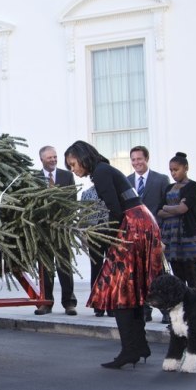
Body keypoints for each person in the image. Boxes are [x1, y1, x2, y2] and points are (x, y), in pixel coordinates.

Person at [64, 140, 163, 369]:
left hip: (132, 227)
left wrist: (108, 243)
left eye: (73, 164)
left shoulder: (100, 173)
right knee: (132, 288)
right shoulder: (104, 170)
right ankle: (139, 346)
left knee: (121, 289)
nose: (73, 170)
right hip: (141, 223)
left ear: (82, 157)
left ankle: (131, 349)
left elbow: (113, 210)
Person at [127, 145, 169, 323]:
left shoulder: (161, 179)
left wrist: (164, 236)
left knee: (159, 274)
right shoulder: (126, 181)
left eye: (139, 159)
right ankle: (145, 310)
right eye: (134, 160)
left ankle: (166, 309)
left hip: (156, 235)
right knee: (140, 275)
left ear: (147, 159)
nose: (137, 162)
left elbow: (165, 207)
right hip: (135, 237)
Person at [34, 145, 78, 316]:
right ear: (42, 159)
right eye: (49, 157)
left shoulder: (67, 176)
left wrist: (63, 221)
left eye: (55, 157)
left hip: (61, 229)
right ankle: (46, 303)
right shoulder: (34, 178)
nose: (53, 160)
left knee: (64, 266)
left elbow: (72, 200)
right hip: (43, 231)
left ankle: (69, 303)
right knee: (45, 267)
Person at [156, 152, 196, 288]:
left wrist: (167, 207)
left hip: (186, 234)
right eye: (171, 170)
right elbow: (159, 212)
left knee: (191, 274)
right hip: (171, 235)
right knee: (177, 275)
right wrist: (175, 209)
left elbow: (183, 209)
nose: (173, 173)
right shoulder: (169, 187)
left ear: (186, 168)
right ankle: (181, 304)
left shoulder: (192, 186)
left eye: (176, 170)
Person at [79, 184, 112, 317]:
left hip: (111, 233)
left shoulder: (112, 191)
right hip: (94, 233)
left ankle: (111, 305)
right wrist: (83, 237)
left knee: (112, 270)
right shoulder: (86, 193)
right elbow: (83, 215)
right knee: (96, 269)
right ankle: (98, 304)